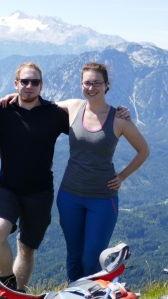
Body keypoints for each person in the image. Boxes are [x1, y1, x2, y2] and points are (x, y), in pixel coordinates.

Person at [0, 62, 130, 291]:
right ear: (16, 84)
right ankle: (8, 283)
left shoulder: (54, 113)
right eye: (24, 82)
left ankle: (16, 297)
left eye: (34, 82)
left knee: (27, 249)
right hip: (7, 188)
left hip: (40, 192)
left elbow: (91, 121)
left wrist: (118, 113)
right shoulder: (1, 110)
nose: (29, 86)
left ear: (41, 85)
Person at [56, 62, 149, 282]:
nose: (91, 88)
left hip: (102, 198)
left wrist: (122, 177)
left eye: (97, 83)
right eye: (87, 83)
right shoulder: (73, 107)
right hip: (69, 195)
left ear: (106, 85)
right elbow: (37, 104)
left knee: (92, 259)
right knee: (74, 256)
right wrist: (14, 95)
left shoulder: (119, 118)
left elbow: (143, 150)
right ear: (81, 84)